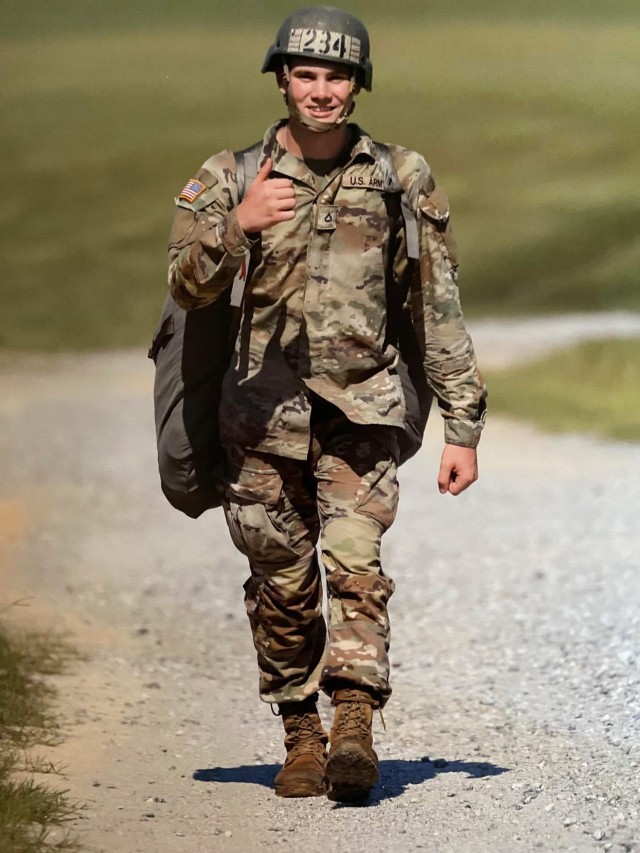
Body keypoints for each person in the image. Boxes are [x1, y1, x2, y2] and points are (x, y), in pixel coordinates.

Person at [167, 5, 487, 803]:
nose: (321, 90)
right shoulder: (229, 177)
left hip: (364, 412)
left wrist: (462, 426)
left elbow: (435, 307)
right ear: (282, 79)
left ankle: (352, 727)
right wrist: (236, 227)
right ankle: (299, 733)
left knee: (356, 566)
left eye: (337, 75)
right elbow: (185, 287)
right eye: (306, 74)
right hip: (260, 420)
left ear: (357, 83)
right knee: (282, 586)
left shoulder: (398, 176)